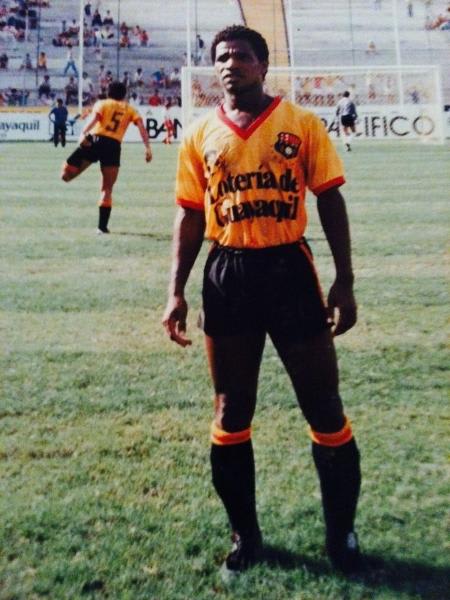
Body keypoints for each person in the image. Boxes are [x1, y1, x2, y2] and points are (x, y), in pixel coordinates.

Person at [162, 25, 361, 577]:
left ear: (262, 65)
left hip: (290, 270)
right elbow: (190, 214)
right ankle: (245, 537)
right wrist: (175, 290)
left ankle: (341, 536)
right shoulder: (200, 133)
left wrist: (344, 279)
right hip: (228, 274)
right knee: (229, 408)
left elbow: (330, 199)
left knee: (324, 405)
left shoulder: (301, 124)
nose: (230, 64)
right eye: (222, 57)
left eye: (242, 56)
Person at [61, 81, 152, 234]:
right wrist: (148, 148)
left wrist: (83, 134)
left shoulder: (102, 103)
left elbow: (94, 119)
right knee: (107, 189)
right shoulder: (131, 109)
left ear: (109, 92)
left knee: (65, 176)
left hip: (94, 141)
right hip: (113, 146)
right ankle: (102, 228)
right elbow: (141, 127)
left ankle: (102, 227)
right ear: (124, 95)